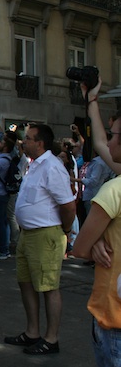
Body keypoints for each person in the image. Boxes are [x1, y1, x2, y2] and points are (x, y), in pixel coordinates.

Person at [3, 123, 76, 355]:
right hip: (28, 235)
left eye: (29, 139)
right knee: (26, 283)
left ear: (40, 143)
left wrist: (65, 230)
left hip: (45, 235)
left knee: (48, 287)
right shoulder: (34, 165)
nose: (24, 142)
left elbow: (68, 205)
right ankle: (32, 332)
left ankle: (51, 338)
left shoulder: (52, 167)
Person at [74, 77, 121, 366]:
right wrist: (92, 101)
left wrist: (91, 246)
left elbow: (79, 249)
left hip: (113, 317)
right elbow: (103, 142)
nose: (109, 140)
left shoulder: (114, 189)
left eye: (116, 135)